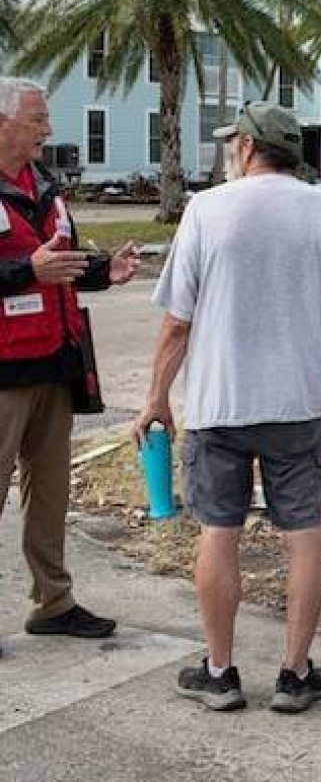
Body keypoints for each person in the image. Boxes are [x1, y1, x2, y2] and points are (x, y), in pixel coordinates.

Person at [132, 103, 321, 714]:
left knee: (220, 530)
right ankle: (294, 675)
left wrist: (158, 397)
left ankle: (219, 672)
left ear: (244, 148)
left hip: (220, 405)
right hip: (297, 407)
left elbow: (176, 324)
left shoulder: (208, 210)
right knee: (305, 532)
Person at [0, 77, 140, 639]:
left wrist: (106, 270)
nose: (48, 130)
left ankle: (53, 602)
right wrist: (22, 272)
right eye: (37, 119)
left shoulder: (47, 187)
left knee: (50, 492)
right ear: (4, 122)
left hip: (56, 363)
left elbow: (65, 258)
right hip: (4, 371)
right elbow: (33, 268)